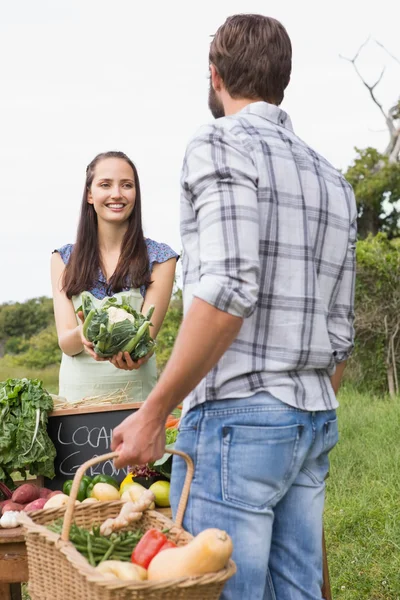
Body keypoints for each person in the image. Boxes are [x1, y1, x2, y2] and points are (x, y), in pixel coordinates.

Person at [111, 14, 357, 600]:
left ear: (215, 76)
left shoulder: (218, 142)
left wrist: (154, 410)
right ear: (283, 81)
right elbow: (342, 331)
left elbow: (227, 288)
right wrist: (302, 415)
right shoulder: (333, 178)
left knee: (227, 592)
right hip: (314, 416)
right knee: (299, 591)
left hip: (239, 420)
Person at [51, 151, 178, 404]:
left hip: (135, 402)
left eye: (127, 185)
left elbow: (145, 341)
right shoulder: (63, 259)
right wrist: (84, 334)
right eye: (105, 185)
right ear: (90, 194)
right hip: (77, 406)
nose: (117, 194)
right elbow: (66, 343)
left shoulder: (161, 259)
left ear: (135, 194)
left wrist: (134, 355)